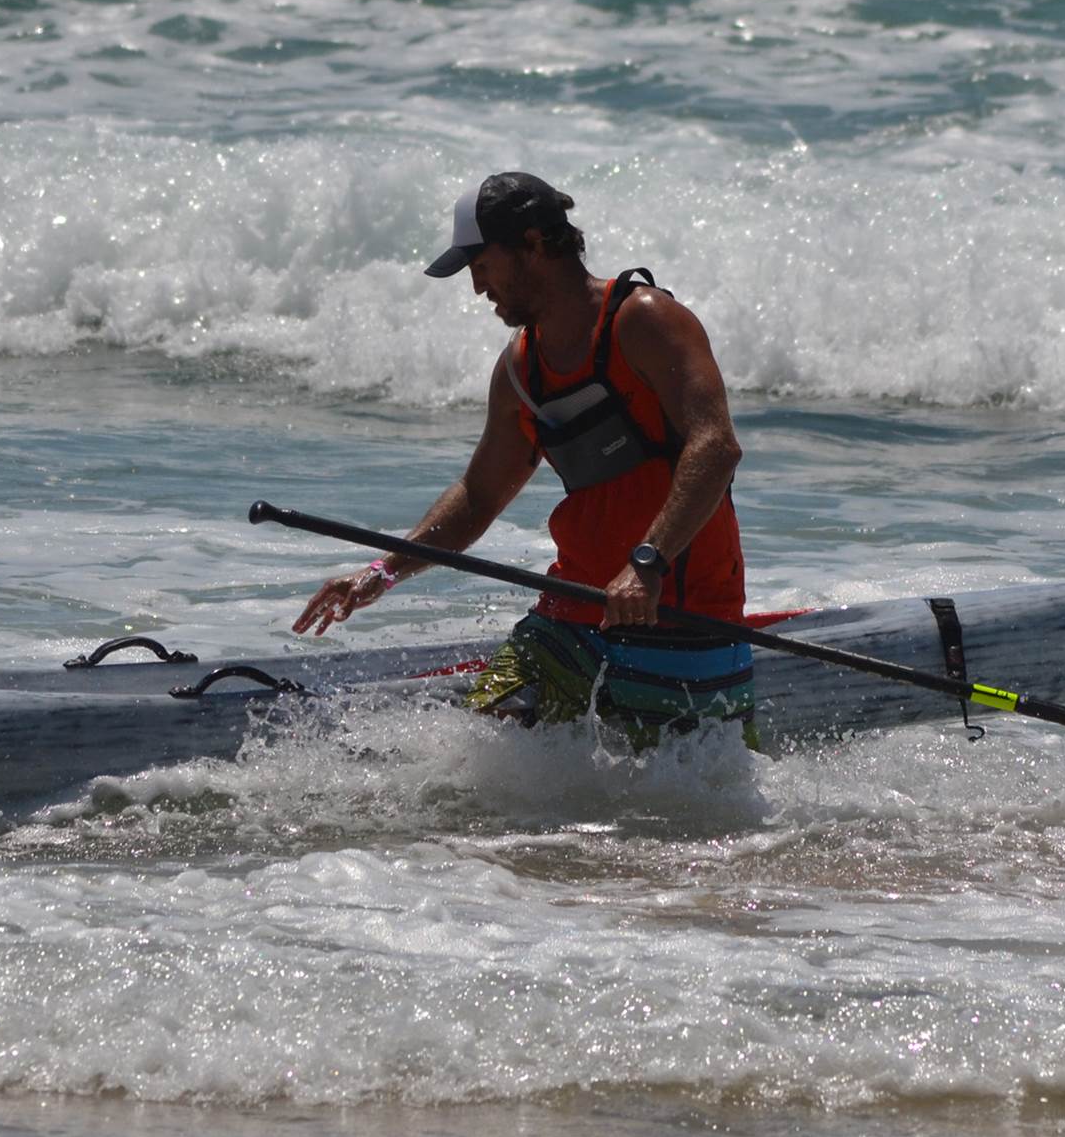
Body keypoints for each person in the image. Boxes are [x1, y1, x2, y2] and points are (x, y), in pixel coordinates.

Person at [291, 172, 753, 746]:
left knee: (679, 798)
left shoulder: (645, 320)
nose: (477, 287)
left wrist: (645, 564)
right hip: (571, 618)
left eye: (482, 265)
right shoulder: (519, 370)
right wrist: (382, 572)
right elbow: (479, 495)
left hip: (684, 614)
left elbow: (716, 447)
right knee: (480, 751)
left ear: (534, 244)